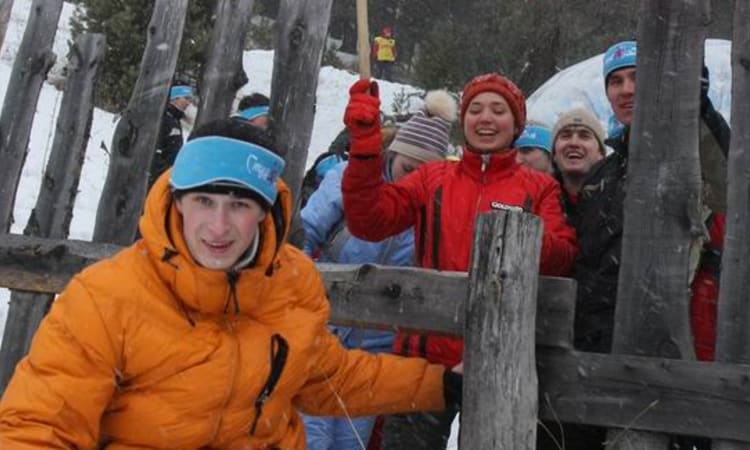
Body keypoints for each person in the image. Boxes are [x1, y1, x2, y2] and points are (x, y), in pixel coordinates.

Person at [0, 118, 463, 450]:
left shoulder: (289, 281)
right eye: (204, 200)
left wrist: (440, 384)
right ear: (177, 201)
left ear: (265, 211)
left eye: (240, 205)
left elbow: (328, 377)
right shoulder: (107, 297)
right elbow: (40, 425)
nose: (219, 227)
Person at [341, 73, 578, 449]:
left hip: (501, 357)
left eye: (498, 110)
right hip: (423, 357)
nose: (486, 118)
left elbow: (562, 259)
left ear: (516, 123)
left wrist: (521, 234)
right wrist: (366, 147)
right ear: (463, 119)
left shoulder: (539, 188)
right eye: (476, 109)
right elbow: (369, 221)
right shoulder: (433, 177)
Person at [542, 40, 729, 450]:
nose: (626, 90)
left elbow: (726, 187)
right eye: (616, 81)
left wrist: (699, 111)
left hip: (666, 349)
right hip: (593, 349)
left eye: (636, 78)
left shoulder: (688, 152)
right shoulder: (603, 173)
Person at [301, 90, 457, 450]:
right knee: (310, 434)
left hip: (376, 346)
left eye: (423, 171)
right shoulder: (348, 179)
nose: (412, 177)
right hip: (322, 327)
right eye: (408, 166)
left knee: (352, 440)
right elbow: (305, 232)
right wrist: (304, 289)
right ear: (393, 153)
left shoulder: (430, 204)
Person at [549, 107, 607, 219]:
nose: (574, 143)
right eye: (566, 136)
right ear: (554, 154)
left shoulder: (617, 199)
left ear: (600, 153)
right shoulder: (540, 199)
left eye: (584, 136)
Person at [149, 83, 194, 189]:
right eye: (186, 98)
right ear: (174, 98)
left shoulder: (175, 120)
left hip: (169, 178)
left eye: (190, 99)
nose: (188, 103)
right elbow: (153, 152)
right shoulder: (163, 119)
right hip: (158, 181)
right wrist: (162, 175)